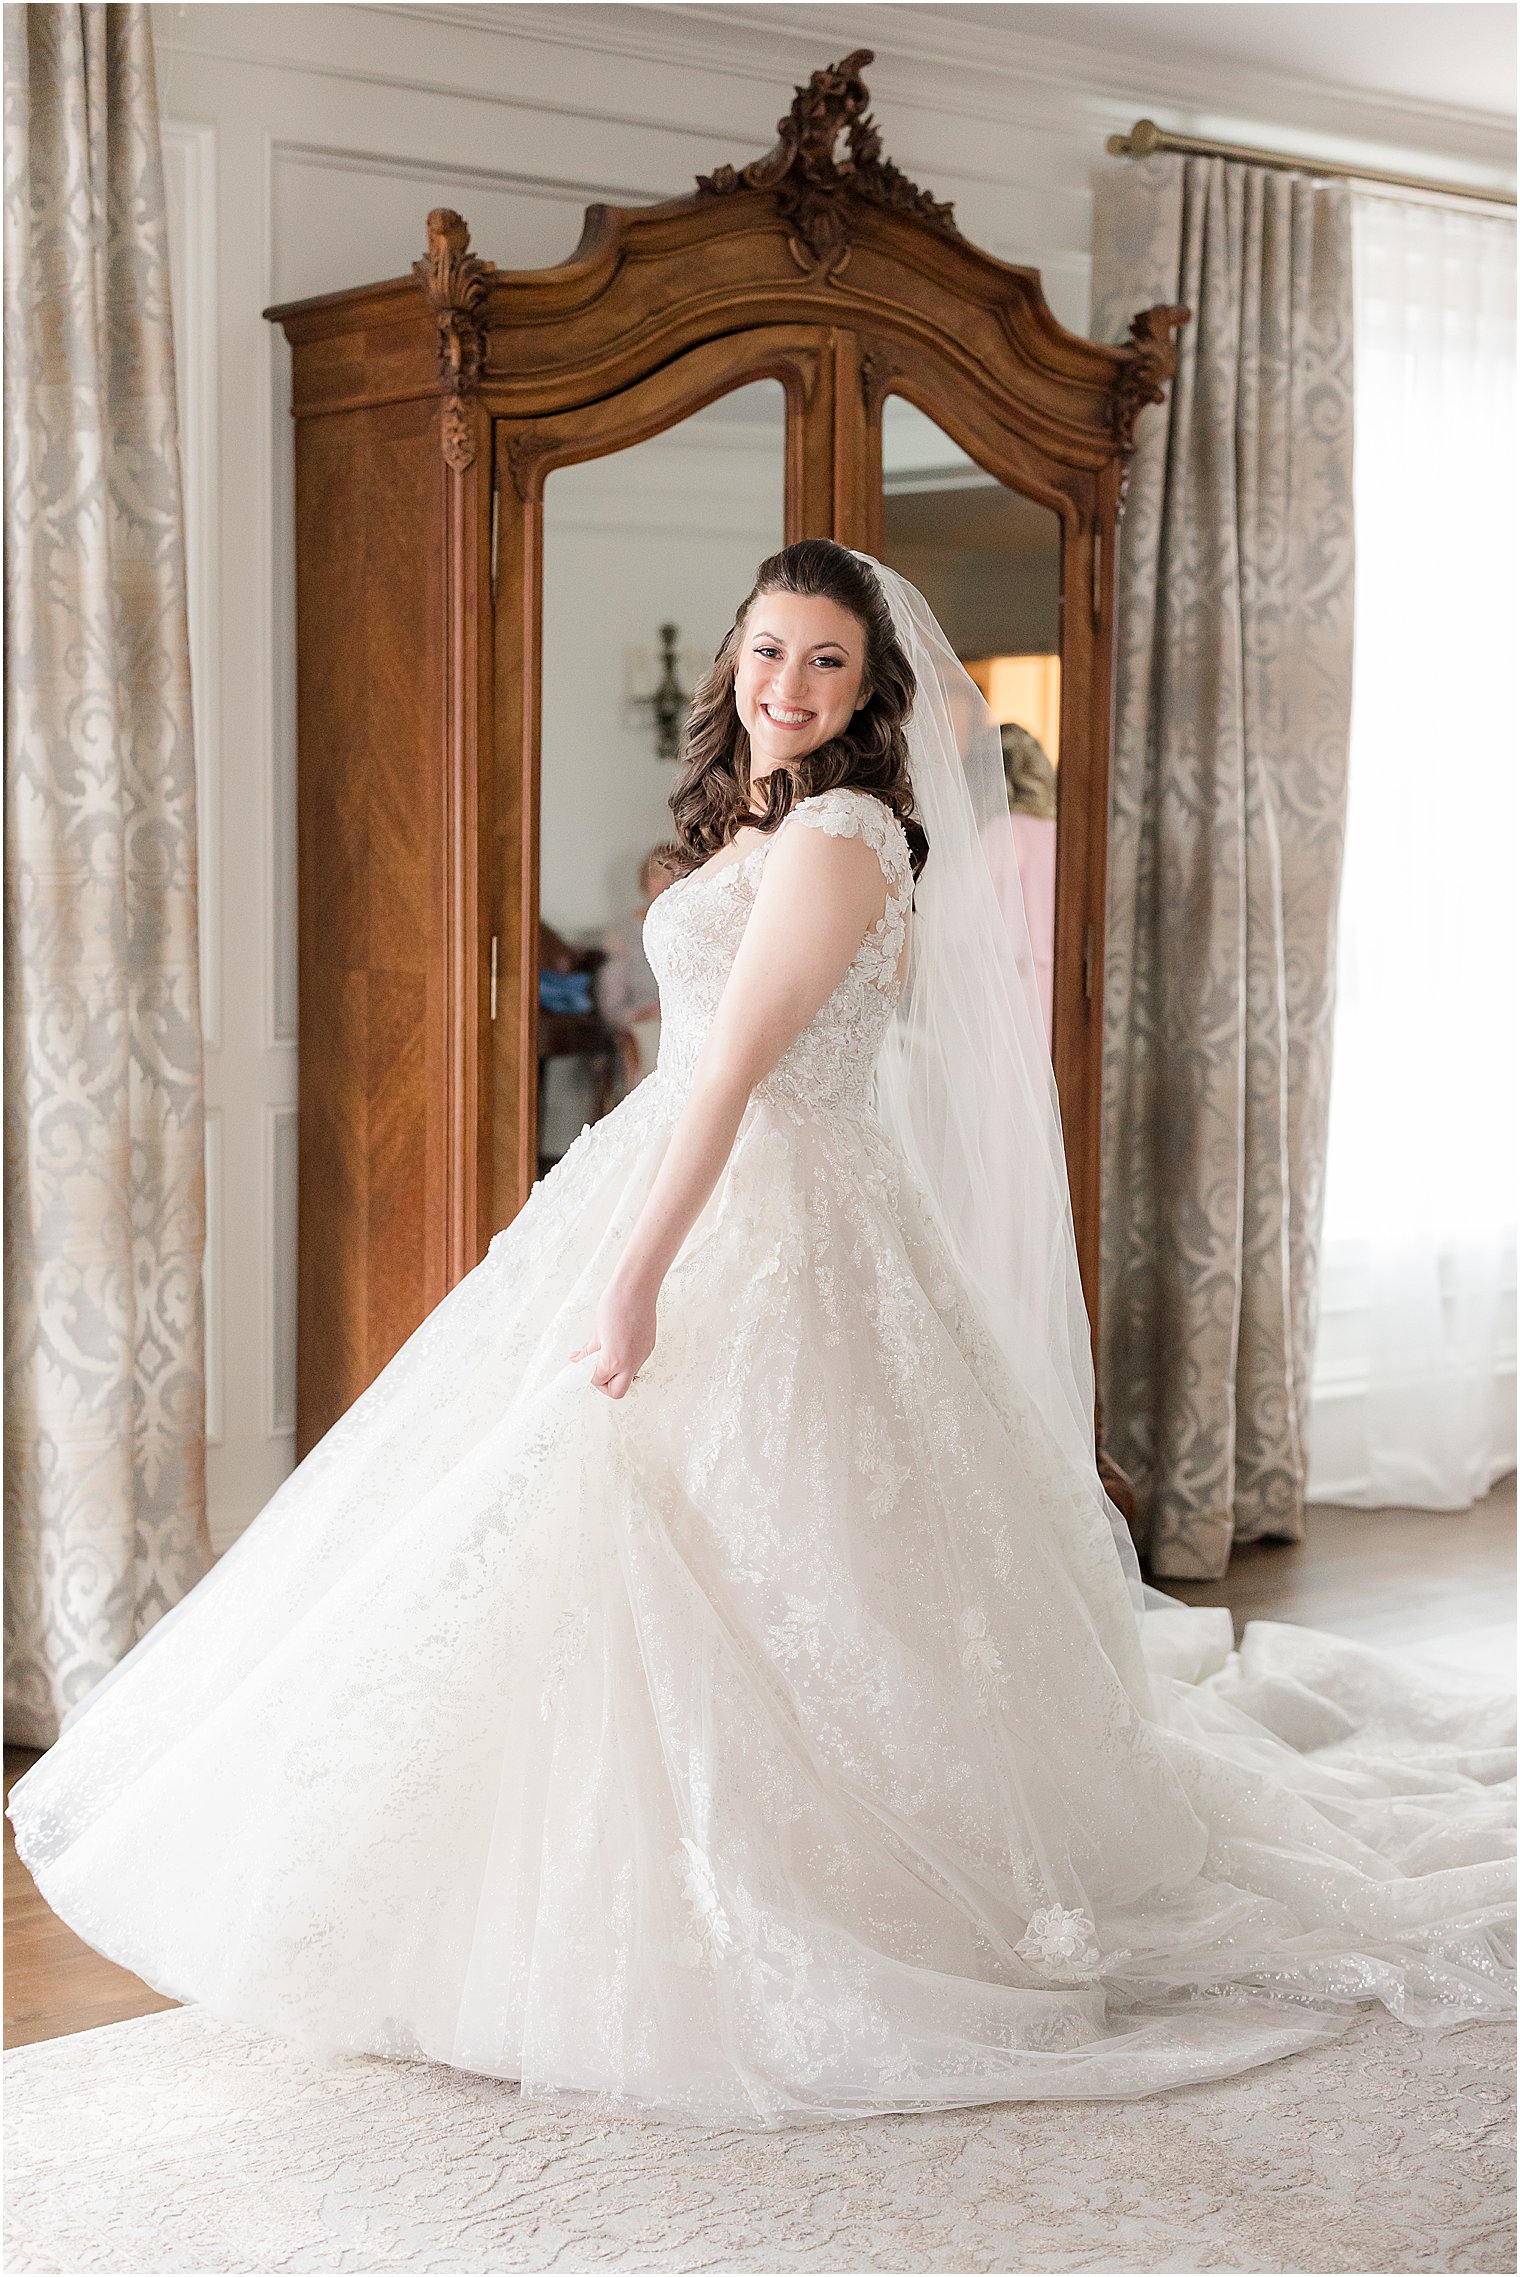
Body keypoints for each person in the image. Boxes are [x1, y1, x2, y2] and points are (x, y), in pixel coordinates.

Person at [8, 543, 1513, 2132]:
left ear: (872, 697)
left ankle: (796, 1892)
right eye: (770, 651)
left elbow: (731, 1074)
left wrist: (636, 1274)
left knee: (770, 1545)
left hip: (778, 1221)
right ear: (737, 653)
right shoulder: (761, 818)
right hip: (679, 1178)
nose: (784, 686)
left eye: (826, 666)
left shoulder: (850, 832)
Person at [597, 845, 681, 1091]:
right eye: (658, 875)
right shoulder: (622, 933)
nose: (666, 883)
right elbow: (611, 1004)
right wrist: (647, 1013)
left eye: (675, 875)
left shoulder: (691, 927)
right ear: (644, 881)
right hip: (644, 1023)